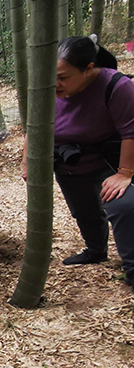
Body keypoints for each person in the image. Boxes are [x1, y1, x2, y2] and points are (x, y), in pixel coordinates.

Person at [22, 36, 134, 291]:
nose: (54, 84)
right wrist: (27, 161)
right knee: (83, 210)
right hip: (69, 161)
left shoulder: (117, 85)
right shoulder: (46, 87)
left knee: (123, 206)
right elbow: (33, 126)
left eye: (62, 77)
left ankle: (133, 269)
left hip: (110, 158)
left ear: (88, 69)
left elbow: (131, 131)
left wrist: (125, 173)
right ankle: (95, 251)